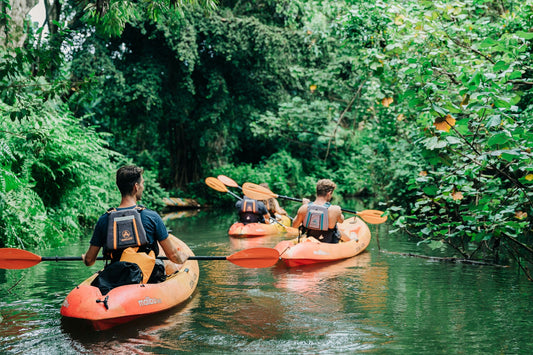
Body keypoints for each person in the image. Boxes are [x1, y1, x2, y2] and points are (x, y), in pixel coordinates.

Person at [82, 165, 189, 282]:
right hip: (148, 278)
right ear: (136, 187)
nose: (143, 186)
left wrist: (85, 258)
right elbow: (173, 256)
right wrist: (182, 258)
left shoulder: (104, 219)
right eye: (142, 183)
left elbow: (89, 261)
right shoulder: (152, 217)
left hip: (117, 277)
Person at [292, 179, 344, 243]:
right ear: (329, 193)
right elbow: (341, 220)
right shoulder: (335, 209)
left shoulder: (304, 208)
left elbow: (294, 226)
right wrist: (339, 211)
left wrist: (304, 205)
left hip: (310, 240)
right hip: (328, 243)